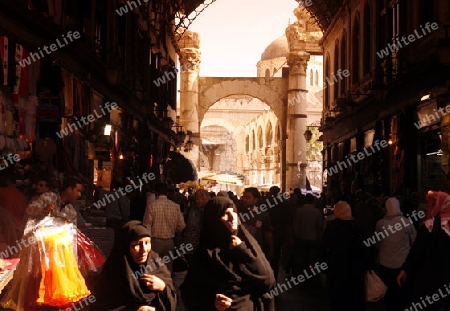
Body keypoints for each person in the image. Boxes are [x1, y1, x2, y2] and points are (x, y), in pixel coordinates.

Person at [181, 196, 275, 311]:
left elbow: (268, 281)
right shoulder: (205, 254)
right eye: (226, 213)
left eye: (234, 212)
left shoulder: (246, 243)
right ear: (213, 219)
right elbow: (190, 293)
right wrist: (212, 301)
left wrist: (243, 251)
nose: (232, 218)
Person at [92, 220, 177, 311]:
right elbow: (101, 305)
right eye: (136, 245)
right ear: (126, 247)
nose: (144, 249)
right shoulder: (114, 272)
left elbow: (173, 302)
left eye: (147, 243)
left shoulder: (157, 265)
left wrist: (163, 287)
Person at [397, 191, 450, 310]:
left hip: (429, 277)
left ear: (437, 206)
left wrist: (405, 270)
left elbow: (416, 251)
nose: (426, 208)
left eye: (429, 205)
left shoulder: (429, 226)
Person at [318, 201, 371, 311]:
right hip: (355, 269)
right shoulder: (359, 226)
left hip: (336, 268)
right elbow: (366, 247)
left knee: (337, 300)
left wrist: (321, 262)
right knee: (354, 299)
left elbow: (323, 246)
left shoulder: (332, 226)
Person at [376, 197, 416, 311]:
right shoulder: (406, 222)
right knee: (402, 293)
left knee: (389, 293)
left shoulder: (380, 223)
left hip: (385, 263)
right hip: (402, 264)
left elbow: (377, 244)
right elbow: (414, 241)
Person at [143, 183, 185, 273]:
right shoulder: (175, 206)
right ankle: (166, 286)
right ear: (167, 193)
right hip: (170, 242)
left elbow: (146, 225)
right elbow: (182, 225)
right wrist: (173, 229)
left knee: (153, 268)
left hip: (155, 242)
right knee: (167, 269)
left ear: (156, 192)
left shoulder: (152, 205)